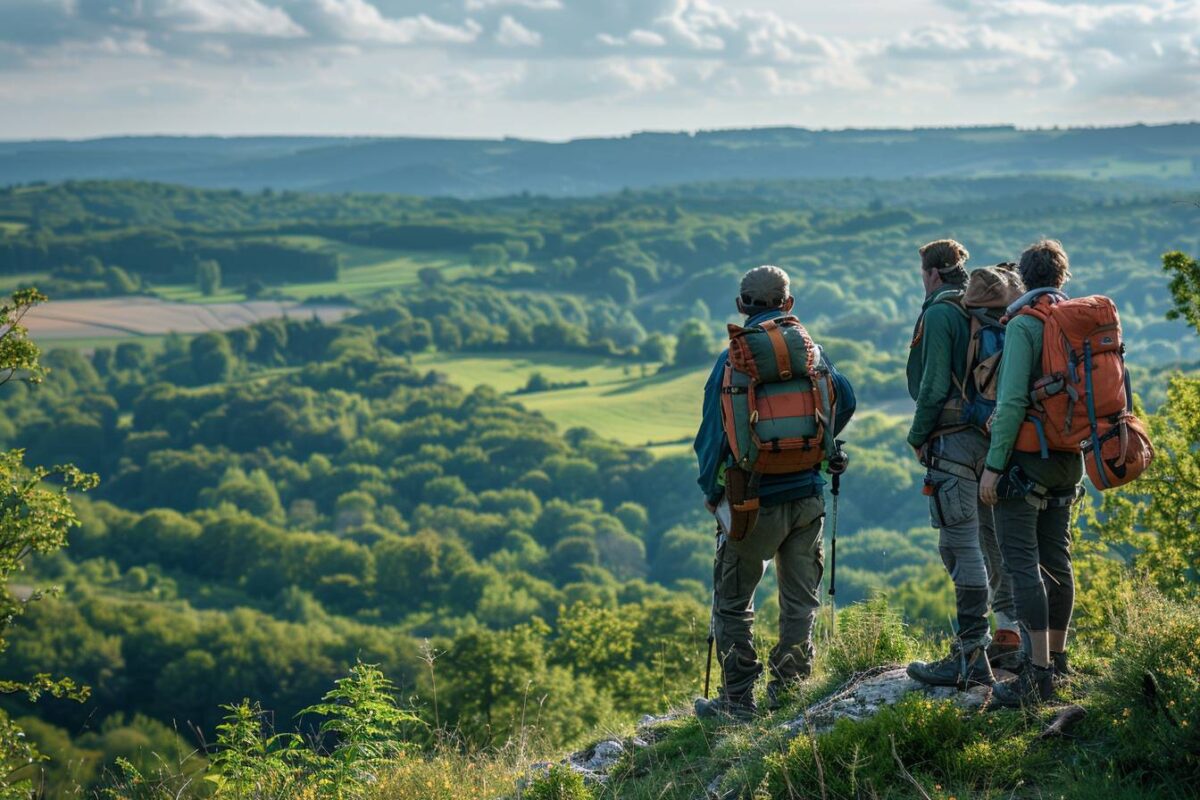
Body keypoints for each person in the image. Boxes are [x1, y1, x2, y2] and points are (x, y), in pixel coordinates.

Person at [693, 265, 856, 720]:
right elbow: (847, 398)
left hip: (752, 499)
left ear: (741, 305)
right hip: (807, 495)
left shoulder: (732, 360)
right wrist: (821, 446)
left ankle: (738, 700)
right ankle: (789, 690)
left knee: (733, 601)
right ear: (789, 304)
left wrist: (713, 491)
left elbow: (711, 437)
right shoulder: (811, 353)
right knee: (800, 600)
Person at [904, 240, 1020, 689]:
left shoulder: (940, 313)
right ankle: (1009, 636)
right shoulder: (987, 306)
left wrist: (917, 437)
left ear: (931, 273)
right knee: (996, 539)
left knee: (960, 544)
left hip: (953, 443)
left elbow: (933, 386)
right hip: (997, 439)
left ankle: (970, 656)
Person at [980, 239, 1084, 706]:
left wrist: (992, 467)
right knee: (1057, 560)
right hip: (1071, 459)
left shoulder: (1025, 324)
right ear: (1063, 277)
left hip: (1026, 463)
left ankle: (1035, 676)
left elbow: (1012, 403)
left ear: (1023, 278)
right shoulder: (1081, 321)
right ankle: (1058, 663)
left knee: (1023, 565)